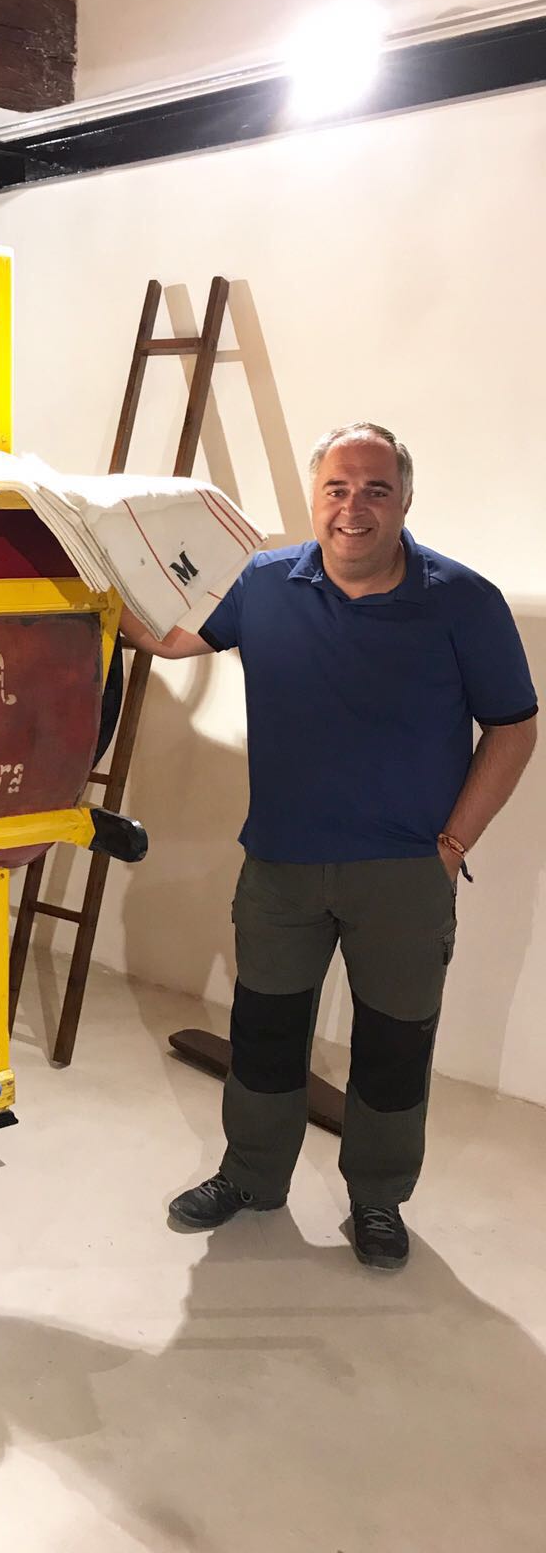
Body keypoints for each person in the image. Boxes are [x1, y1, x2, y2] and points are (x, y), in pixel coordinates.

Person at [121, 422, 537, 1269]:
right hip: (281, 866)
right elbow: (170, 639)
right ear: (315, 499)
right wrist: (87, 577)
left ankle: (377, 1198)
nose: (354, 507)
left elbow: (514, 728)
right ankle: (251, 1176)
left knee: (395, 1044)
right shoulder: (265, 584)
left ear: (405, 500)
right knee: (265, 1031)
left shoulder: (464, 601)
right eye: (337, 489)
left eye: (376, 489)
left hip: (405, 874)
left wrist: (453, 843)